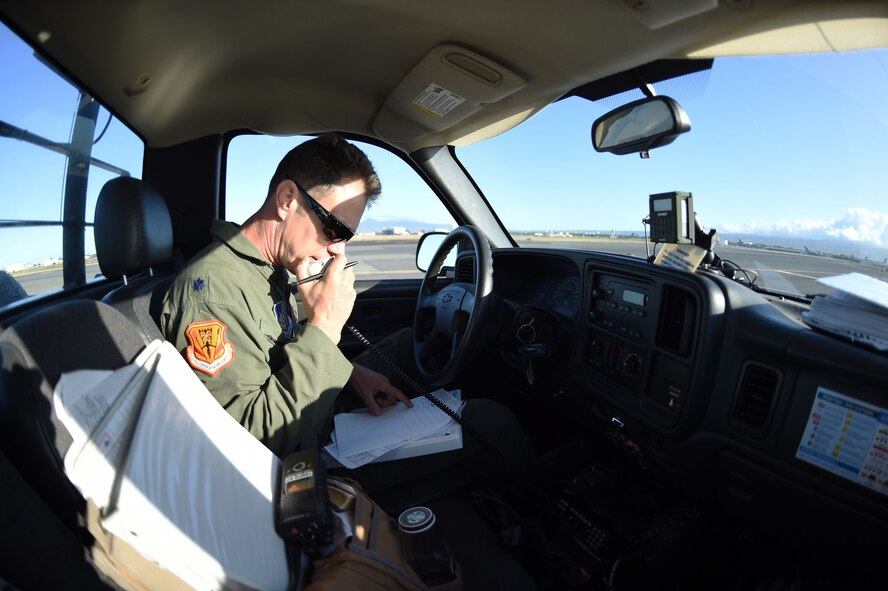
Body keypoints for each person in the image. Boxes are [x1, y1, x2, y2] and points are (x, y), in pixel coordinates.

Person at [161, 133, 537, 492]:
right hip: (305, 459)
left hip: (314, 411)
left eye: (347, 236)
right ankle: (544, 497)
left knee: (411, 345)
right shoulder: (213, 293)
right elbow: (254, 439)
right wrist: (325, 327)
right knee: (493, 423)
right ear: (288, 198)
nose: (337, 251)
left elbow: (280, 354)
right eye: (334, 228)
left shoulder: (267, 267)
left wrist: (350, 374)